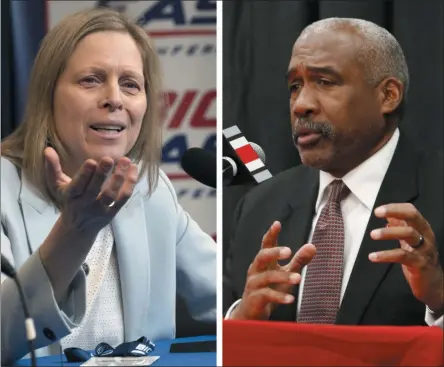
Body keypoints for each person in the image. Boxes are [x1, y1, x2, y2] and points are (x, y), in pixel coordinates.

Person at [1, 8, 216, 365]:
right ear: (48, 95)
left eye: (130, 84)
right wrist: (74, 232)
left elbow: (222, 302)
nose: (114, 98)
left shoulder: (151, 189)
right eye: (91, 80)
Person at [223, 18, 443, 328]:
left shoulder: (436, 190)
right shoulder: (259, 207)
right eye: (294, 87)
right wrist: (243, 319)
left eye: (325, 82)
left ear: (388, 95)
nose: (301, 105)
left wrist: (439, 299)